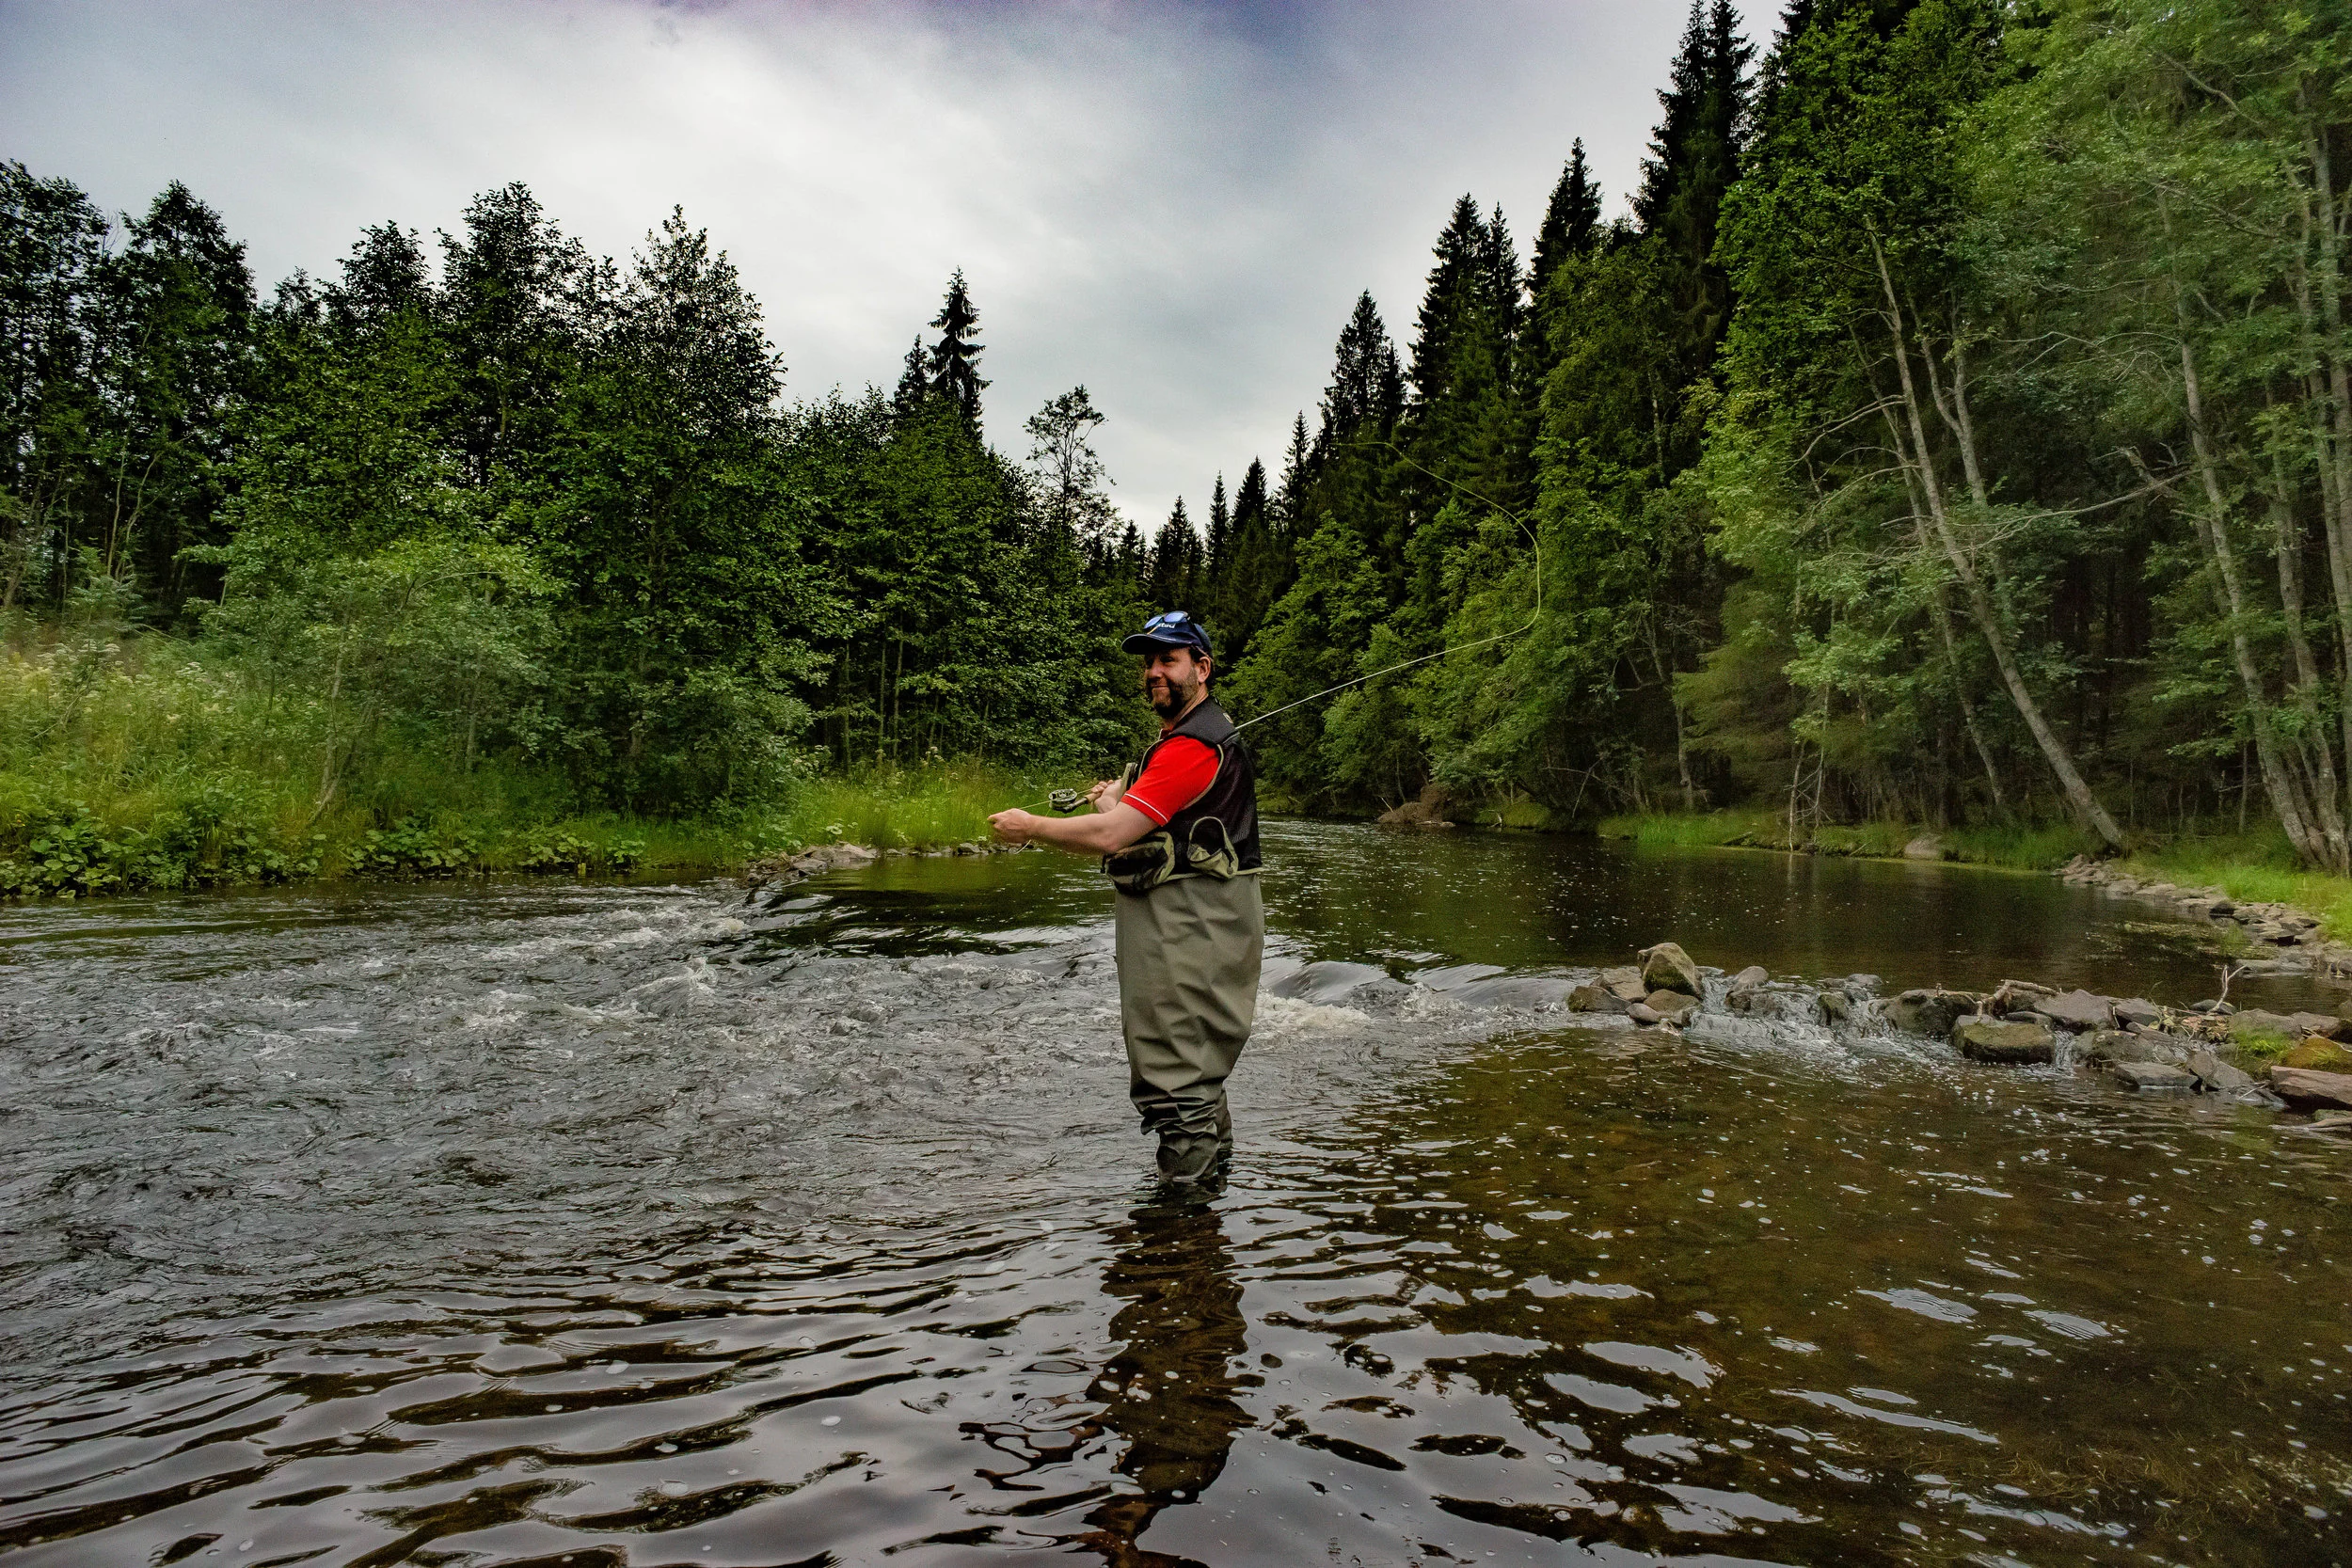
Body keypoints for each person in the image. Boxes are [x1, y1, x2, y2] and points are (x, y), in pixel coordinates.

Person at [988, 610, 1263, 1192]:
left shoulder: (1191, 748)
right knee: (1192, 1069)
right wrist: (1114, 800)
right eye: (1149, 662)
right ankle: (1211, 1207)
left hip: (1192, 926)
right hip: (1193, 924)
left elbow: (1112, 838)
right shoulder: (1181, 743)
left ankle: (1180, 1224)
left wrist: (1030, 826)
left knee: (1177, 1075)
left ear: (1202, 667)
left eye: (1169, 659)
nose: (1154, 672)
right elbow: (1134, 827)